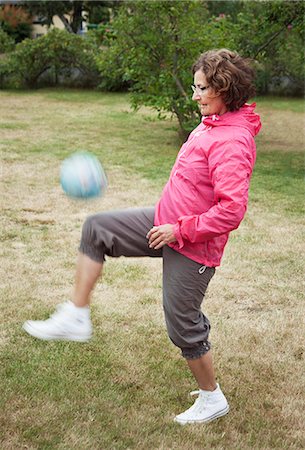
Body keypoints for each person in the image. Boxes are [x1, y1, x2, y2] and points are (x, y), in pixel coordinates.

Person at [23, 48, 261, 425]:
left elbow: (231, 211)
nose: (194, 95)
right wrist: (170, 221)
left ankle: (212, 397)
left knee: (182, 324)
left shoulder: (232, 141)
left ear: (223, 88)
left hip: (192, 244)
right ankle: (76, 316)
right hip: (165, 223)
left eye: (201, 88)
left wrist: (178, 230)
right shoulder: (213, 121)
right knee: (98, 228)